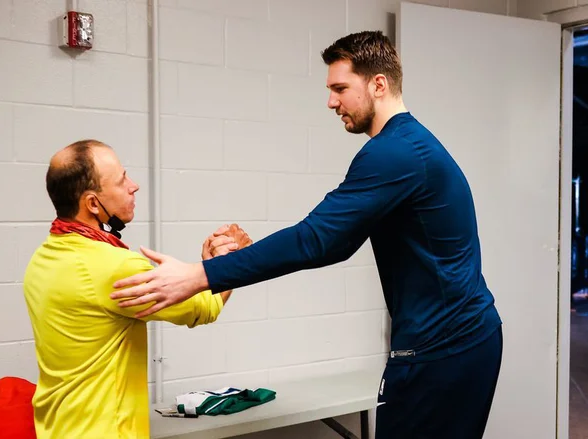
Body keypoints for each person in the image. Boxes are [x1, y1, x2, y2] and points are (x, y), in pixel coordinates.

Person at [111, 31, 503, 439]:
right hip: (461, 340)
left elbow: (316, 240)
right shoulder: (408, 145)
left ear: (379, 85)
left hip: (445, 348)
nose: (331, 101)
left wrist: (198, 276)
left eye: (340, 88)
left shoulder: (395, 152)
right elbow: (335, 242)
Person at [23, 139, 251, 439]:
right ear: (93, 203)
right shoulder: (115, 266)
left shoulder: (43, 257)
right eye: (121, 180)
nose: (134, 186)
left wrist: (206, 268)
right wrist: (231, 262)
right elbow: (204, 309)